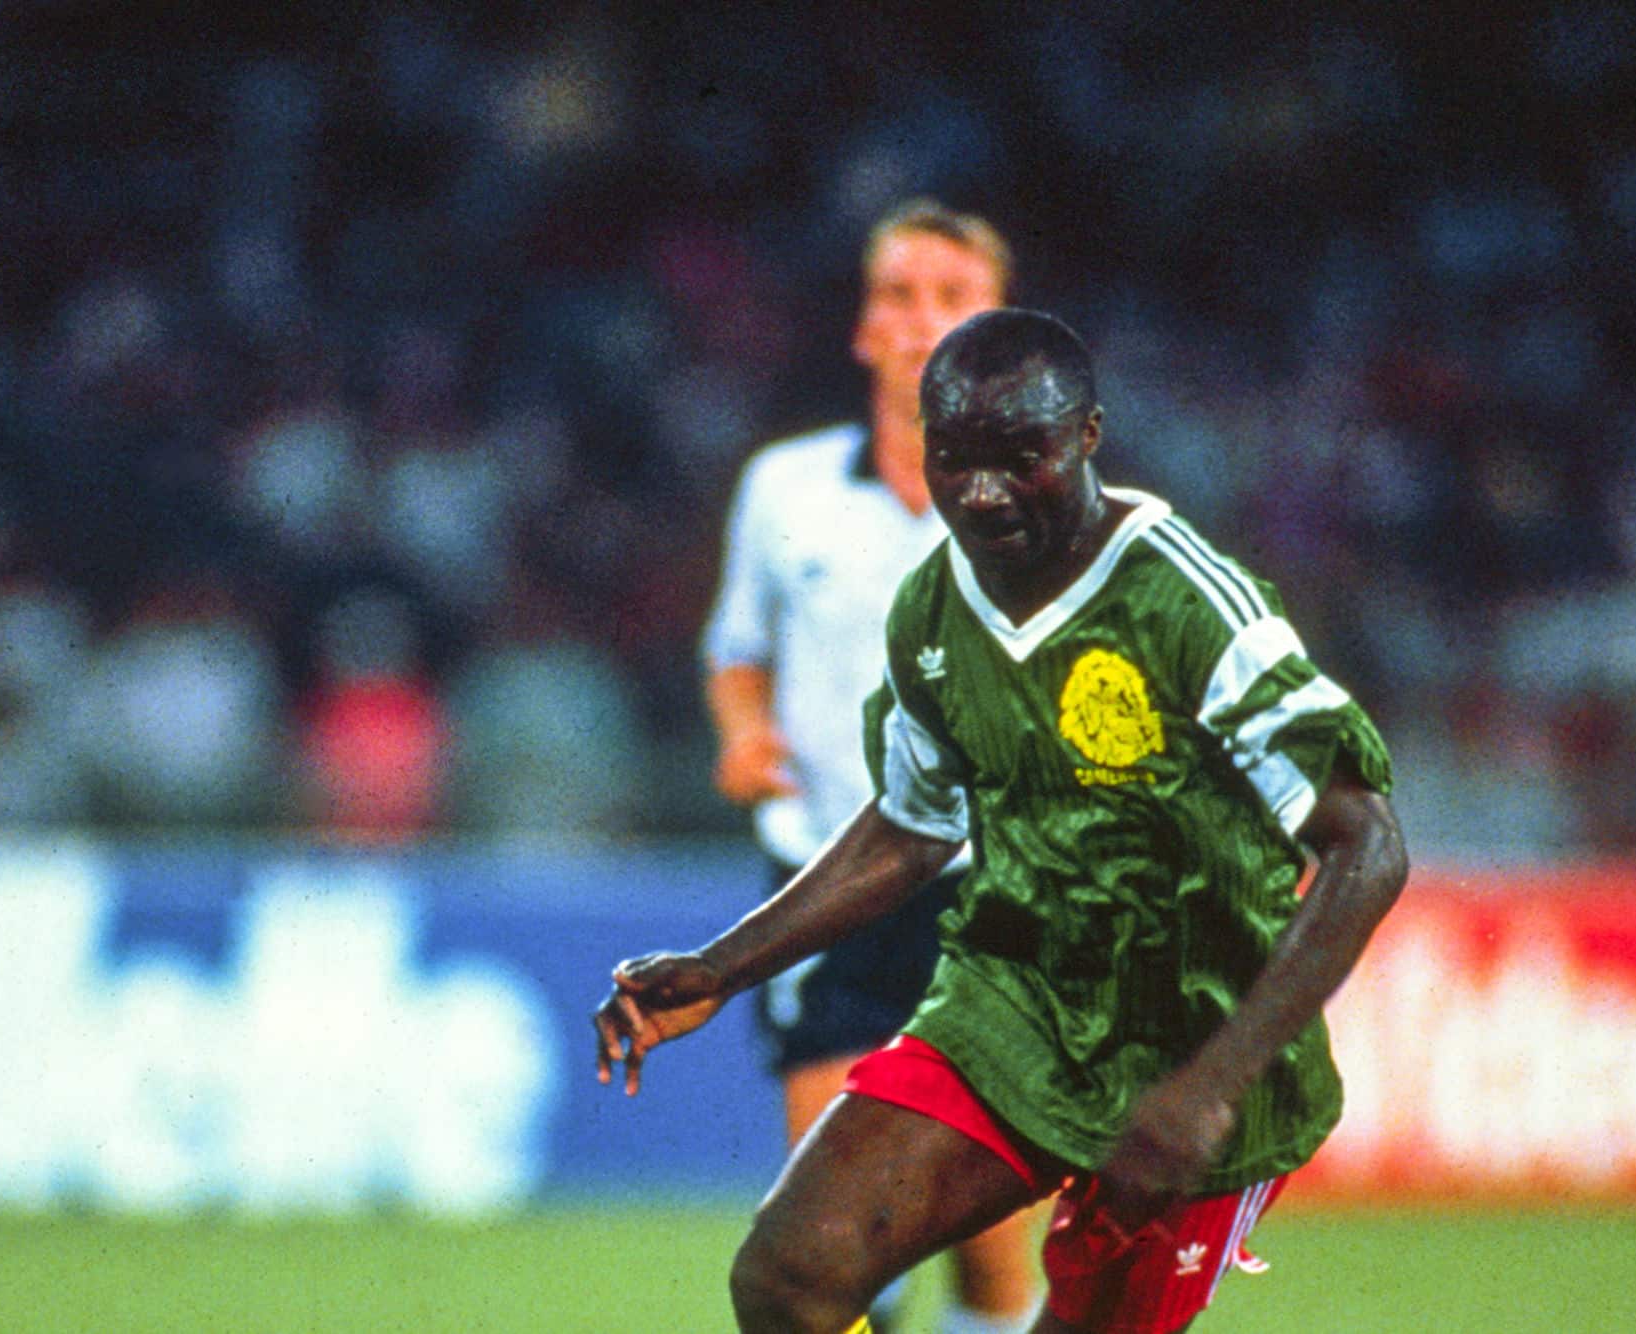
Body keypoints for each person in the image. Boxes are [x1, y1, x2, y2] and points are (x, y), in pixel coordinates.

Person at [597, 308, 1408, 1334]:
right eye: (954, 460)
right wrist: (719, 965)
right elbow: (908, 826)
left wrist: (1210, 1085)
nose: (979, 493)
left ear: (1085, 437)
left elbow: (1366, 842)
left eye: (1018, 457)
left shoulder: (1188, 603)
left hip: (1193, 1042)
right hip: (1012, 1010)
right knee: (787, 1275)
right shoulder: (932, 611)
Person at [699, 198, 1041, 1332]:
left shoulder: (1050, 510)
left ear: (997, 331)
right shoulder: (783, 488)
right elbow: (736, 650)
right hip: (825, 881)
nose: (918, 320)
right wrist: (742, 732)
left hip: (992, 894)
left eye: (951, 297)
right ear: (859, 326)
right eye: (896, 294)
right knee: (826, 1246)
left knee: (987, 1253)